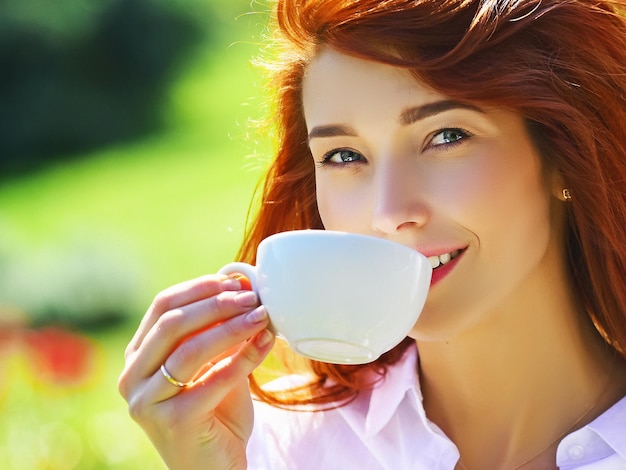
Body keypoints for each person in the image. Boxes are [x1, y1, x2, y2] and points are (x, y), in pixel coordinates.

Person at [118, 0, 626, 468]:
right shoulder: (273, 450)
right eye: (344, 155)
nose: (389, 213)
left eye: (446, 137)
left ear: (564, 158)